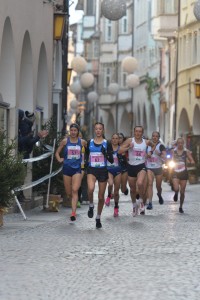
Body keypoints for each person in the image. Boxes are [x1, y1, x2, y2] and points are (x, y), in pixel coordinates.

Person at [118, 126, 155, 216]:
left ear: (142, 133)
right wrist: (128, 148)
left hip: (141, 166)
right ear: (134, 132)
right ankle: (134, 205)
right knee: (132, 189)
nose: (138, 133)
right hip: (131, 167)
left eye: (140, 131)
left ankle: (142, 201)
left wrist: (150, 153)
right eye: (136, 131)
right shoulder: (130, 141)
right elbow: (119, 151)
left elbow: (153, 145)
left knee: (140, 183)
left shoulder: (146, 142)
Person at [55, 123, 87, 221]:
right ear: (70, 131)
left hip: (77, 169)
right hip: (67, 169)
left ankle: (73, 213)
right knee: (69, 192)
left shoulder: (82, 142)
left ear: (78, 132)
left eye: (75, 130)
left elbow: (89, 152)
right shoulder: (65, 141)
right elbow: (57, 152)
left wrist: (86, 163)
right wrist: (59, 159)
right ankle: (72, 200)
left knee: (75, 190)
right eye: (71, 130)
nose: (73, 132)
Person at [85, 122, 113, 228]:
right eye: (96, 129)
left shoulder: (107, 143)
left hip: (102, 170)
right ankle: (91, 205)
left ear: (103, 130)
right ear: (94, 130)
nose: (98, 131)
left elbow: (110, 159)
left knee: (101, 197)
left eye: (100, 129)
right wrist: (84, 165)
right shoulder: (90, 142)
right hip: (92, 169)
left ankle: (98, 217)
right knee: (90, 189)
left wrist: (105, 153)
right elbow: (86, 155)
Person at [17, 110, 48, 202]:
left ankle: (20, 195)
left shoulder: (26, 126)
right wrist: (38, 136)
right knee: (21, 175)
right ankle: (19, 195)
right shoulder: (25, 126)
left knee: (22, 175)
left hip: (24, 153)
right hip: (23, 154)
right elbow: (27, 142)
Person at [171, 137, 195, 213]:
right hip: (175, 171)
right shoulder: (173, 151)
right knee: (176, 188)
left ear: (183, 144)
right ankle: (175, 193)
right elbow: (169, 159)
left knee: (182, 192)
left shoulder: (186, 152)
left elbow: (192, 160)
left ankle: (181, 206)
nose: (180, 144)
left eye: (182, 143)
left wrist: (191, 162)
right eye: (179, 143)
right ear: (177, 144)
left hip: (183, 172)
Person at [146, 131, 166, 209]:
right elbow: (144, 154)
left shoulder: (161, 146)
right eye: (153, 136)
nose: (154, 137)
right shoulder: (148, 145)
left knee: (158, 186)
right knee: (150, 184)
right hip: (149, 167)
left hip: (158, 168)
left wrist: (160, 154)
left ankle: (159, 194)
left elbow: (165, 157)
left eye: (156, 136)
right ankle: (150, 203)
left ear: (158, 138)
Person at [104, 133, 123, 217]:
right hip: (109, 170)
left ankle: (116, 206)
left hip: (118, 170)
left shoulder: (120, 149)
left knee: (116, 191)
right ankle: (108, 196)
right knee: (110, 184)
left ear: (119, 140)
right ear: (111, 139)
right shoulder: (107, 148)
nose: (115, 140)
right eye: (113, 138)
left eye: (116, 138)